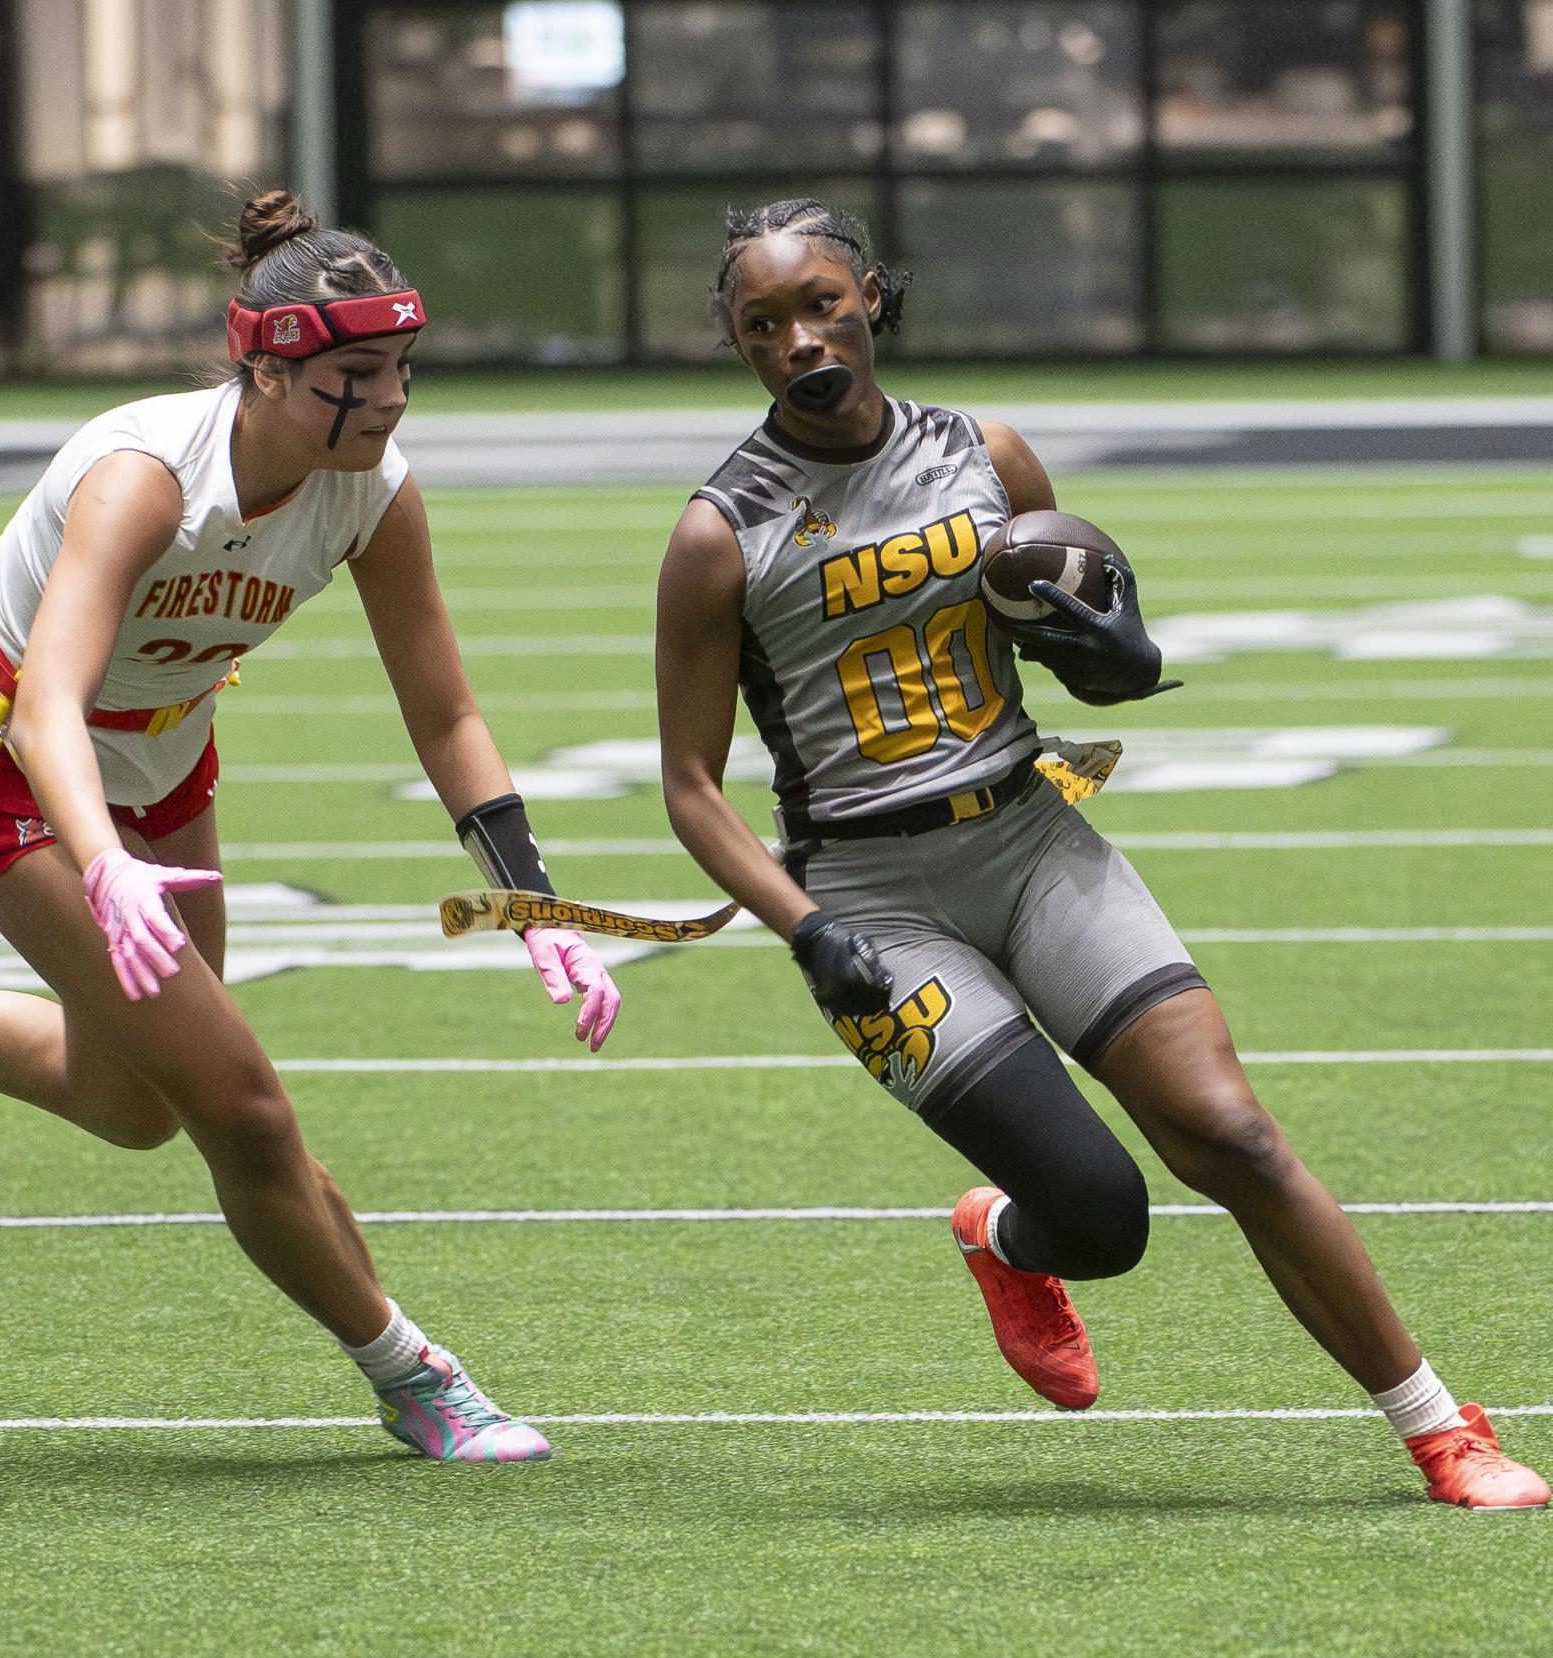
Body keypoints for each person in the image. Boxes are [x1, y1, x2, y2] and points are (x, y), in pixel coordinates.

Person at [0, 192, 619, 1464]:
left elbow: (447, 712)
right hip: (5, 763)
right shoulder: (145, 480)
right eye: (358, 373)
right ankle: (414, 1375)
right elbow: (45, 704)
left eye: (402, 366)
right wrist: (103, 862)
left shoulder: (371, 490)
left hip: (158, 753)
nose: (393, 399)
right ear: (263, 366)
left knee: (132, 1104)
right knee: (239, 1109)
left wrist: (535, 907)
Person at [649, 200, 1544, 1509]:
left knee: (1229, 1131)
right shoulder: (720, 532)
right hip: (872, 902)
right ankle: (1010, 1236)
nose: (801, 337)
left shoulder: (988, 453)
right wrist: (804, 927)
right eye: (765, 322)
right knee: (1103, 1213)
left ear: (875, 298)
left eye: (822, 302)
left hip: (1031, 839)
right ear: (734, 342)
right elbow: (688, 785)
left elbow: (1065, 629)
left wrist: (1123, 661)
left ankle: (1440, 1428)